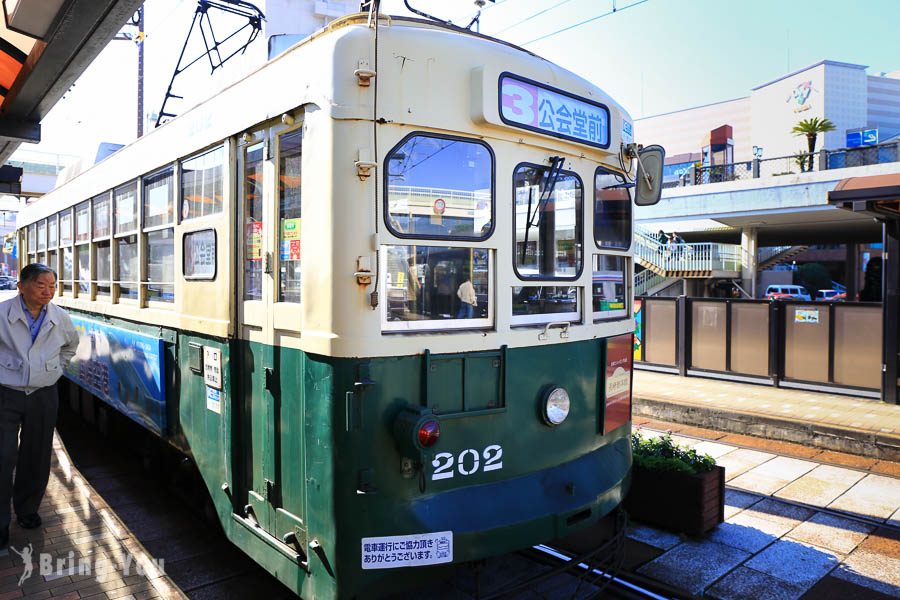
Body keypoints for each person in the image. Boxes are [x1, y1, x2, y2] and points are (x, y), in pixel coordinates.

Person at [0, 264, 78, 552]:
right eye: (40, 285)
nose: (47, 291)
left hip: (44, 394)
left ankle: (27, 510)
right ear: (21, 286)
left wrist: (56, 370)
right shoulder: (3, 314)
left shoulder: (60, 317)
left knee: (37, 453)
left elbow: (70, 346)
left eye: (52, 286)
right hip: (5, 393)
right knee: (3, 456)